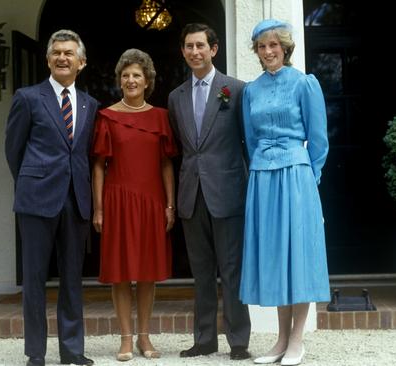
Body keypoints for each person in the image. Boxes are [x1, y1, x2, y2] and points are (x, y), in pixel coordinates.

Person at [239, 19, 330, 366]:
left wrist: (310, 178)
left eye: (274, 45)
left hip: (296, 175)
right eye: (262, 47)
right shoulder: (252, 90)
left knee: (299, 255)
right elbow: (249, 138)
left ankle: (296, 341)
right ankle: (279, 340)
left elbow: (319, 140)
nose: (268, 52)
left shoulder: (305, 84)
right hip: (263, 176)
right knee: (276, 255)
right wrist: (261, 166)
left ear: (285, 48)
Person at [5, 29, 97, 366]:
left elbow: (84, 153)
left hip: (75, 202)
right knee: (34, 280)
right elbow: (13, 150)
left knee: (72, 278)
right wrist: (34, 181)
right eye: (56, 52)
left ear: (81, 62)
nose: (62, 58)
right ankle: (36, 353)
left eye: (69, 53)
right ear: (47, 60)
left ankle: (72, 350)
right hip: (36, 201)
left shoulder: (90, 104)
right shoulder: (28, 97)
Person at [168, 23, 251, 360]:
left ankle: (238, 341)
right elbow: (182, 146)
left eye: (200, 45)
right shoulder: (176, 97)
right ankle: (204, 339)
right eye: (188, 46)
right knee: (201, 272)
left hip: (228, 192)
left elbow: (247, 142)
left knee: (231, 270)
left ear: (214, 49)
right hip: (192, 194)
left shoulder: (237, 90)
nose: (194, 52)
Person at [91, 49, 177, 362]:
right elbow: (99, 165)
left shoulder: (161, 117)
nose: (131, 80)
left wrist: (170, 204)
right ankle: (125, 339)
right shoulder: (107, 116)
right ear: (119, 80)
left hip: (152, 201)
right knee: (120, 273)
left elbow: (167, 164)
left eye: (136, 75)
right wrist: (98, 208)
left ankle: (145, 337)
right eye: (125, 75)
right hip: (117, 201)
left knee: (147, 273)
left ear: (147, 80)